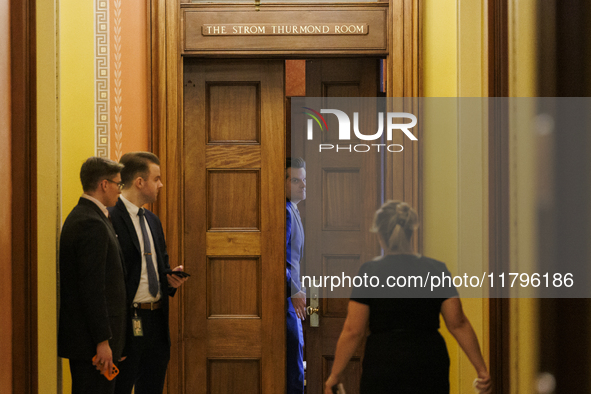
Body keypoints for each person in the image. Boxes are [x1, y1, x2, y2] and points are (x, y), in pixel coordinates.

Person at [324, 201, 492, 394]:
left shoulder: (370, 272)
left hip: (383, 361)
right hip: (428, 360)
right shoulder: (436, 270)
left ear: (380, 236)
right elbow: (458, 323)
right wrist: (481, 369)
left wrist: (335, 375)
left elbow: (354, 330)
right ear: (412, 231)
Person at [108, 152, 188, 394]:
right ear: (139, 182)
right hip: (127, 322)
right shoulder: (110, 218)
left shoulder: (153, 220)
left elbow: (160, 267)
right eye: (157, 178)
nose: (161, 184)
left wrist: (171, 280)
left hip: (156, 320)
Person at [58, 157, 127, 394]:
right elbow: (92, 288)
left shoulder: (91, 217)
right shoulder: (90, 222)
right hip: (92, 345)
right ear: (104, 185)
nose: (120, 190)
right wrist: (103, 341)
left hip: (95, 341)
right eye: (119, 184)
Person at [286, 157, 307, 394]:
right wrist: (294, 290)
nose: (302, 185)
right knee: (294, 371)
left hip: (293, 300)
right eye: (295, 180)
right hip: (286, 300)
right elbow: (278, 258)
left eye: (304, 180)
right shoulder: (286, 212)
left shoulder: (294, 209)